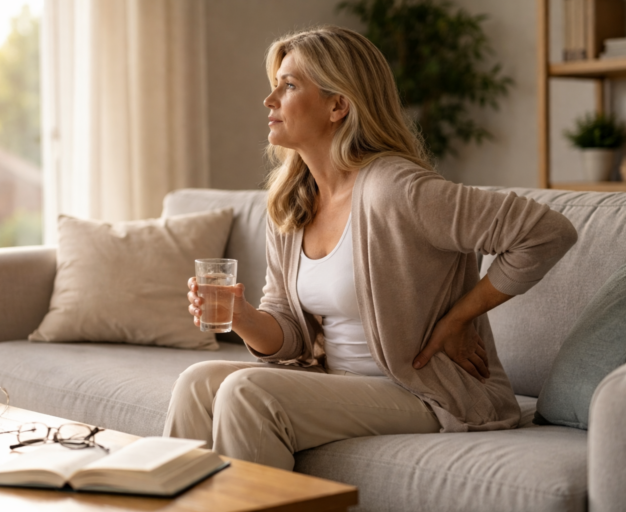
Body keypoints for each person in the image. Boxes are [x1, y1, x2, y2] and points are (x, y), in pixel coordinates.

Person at [162, 26, 577, 471]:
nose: (269, 100)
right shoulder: (291, 201)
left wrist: (460, 317)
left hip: (422, 389)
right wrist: (242, 316)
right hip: (339, 383)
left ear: (338, 105)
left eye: (289, 85)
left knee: (249, 392)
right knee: (198, 381)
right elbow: (290, 335)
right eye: (274, 85)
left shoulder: (396, 190)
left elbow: (547, 232)